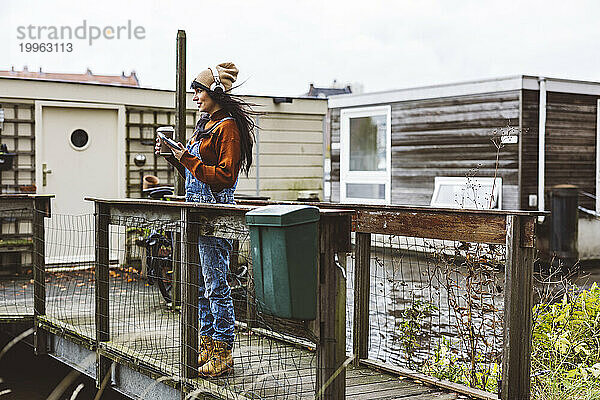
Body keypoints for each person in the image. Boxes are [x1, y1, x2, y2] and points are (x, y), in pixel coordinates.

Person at [155, 62, 256, 377]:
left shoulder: (227, 127)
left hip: (215, 209)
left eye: (198, 90)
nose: (195, 96)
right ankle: (207, 346)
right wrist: (173, 155)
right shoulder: (205, 124)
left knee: (216, 284)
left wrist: (186, 158)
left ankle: (224, 353)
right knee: (200, 285)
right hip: (195, 208)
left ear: (215, 92)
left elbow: (225, 177)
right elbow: (194, 171)